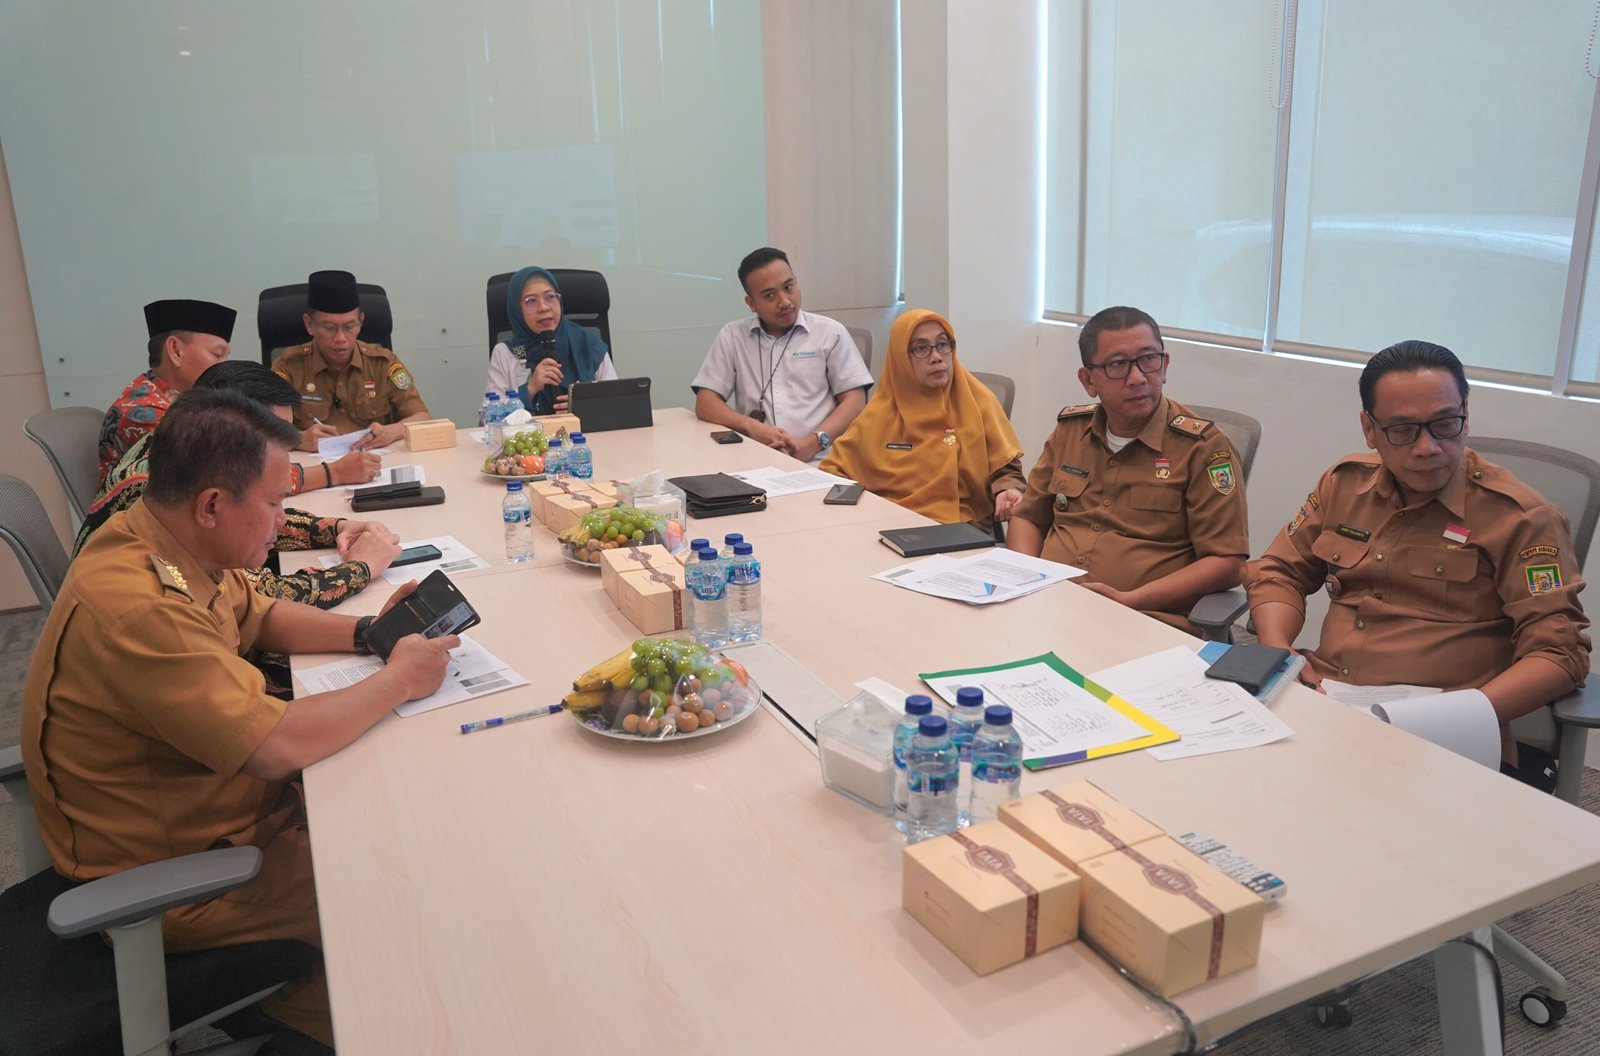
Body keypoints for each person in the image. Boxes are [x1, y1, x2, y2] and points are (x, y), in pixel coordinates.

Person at [21, 388, 456, 1047]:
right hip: (179, 874)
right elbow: (276, 744)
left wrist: (369, 633)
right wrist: (399, 679)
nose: (283, 521)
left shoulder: (167, 538)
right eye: (275, 503)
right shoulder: (139, 606)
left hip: (224, 812)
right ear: (212, 505)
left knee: (409, 837)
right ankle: (320, 1021)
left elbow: (259, 614)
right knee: (404, 907)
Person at [1242, 340, 1591, 788]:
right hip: (1326, 705)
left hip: (1445, 739)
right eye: (1403, 430)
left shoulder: (1521, 518)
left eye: (1445, 424)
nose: (1428, 447)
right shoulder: (1344, 485)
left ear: (1466, 415)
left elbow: (1559, 653)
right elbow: (1279, 572)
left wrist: (1460, 715)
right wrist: (1277, 648)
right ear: (1370, 430)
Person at [76, 360, 401, 611]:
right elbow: (261, 599)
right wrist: (361, 568)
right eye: (274, 436)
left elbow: (251, 521)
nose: (283, 450)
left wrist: (336, 528)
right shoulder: (163, 488)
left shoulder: (182, 449)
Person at [1007, 305, 1249, 632]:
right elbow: (1028, 517)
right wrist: (1028, 580)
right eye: (1118, 365)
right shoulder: (1070, 431)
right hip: (1051, 607)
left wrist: (1131, 600)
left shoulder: (1202, 447)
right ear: (1088, 380)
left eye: (1148, 359)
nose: (1137, 378)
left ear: (1165, 366)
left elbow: (1227, 562)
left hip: (1145, 620)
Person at [819, 309, 1024, 528]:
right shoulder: (880, 413)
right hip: (885, 522)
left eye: (943, 344)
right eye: (921, 348)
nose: (936, 357)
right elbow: (834, 472)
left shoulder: (979, 401)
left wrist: (1008, 490)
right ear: (901, 358)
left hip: (961, 524)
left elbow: (1005, 467)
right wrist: (863, 513)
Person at [692, 246, 873, 461]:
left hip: (819, 460)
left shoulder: (830, 333)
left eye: (788, 287)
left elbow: (855, 400)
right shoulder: (733, 336)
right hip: (755, 458)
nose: (785, 301)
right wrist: (751, 427)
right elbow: (705, 403)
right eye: (770, 295)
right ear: (751, 303)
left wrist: (812, 443)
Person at [272, 269, 431, 450]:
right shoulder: (288, 366)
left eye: (349, 327)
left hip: (374, 461)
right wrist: (299, 439)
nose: (340, 338)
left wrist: (391, 432)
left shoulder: (384, 363)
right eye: (329, 328)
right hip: (314, 465)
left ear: (361, 322)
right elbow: (263, 429)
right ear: (309, 324)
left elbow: (423, 418)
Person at [98, 298, 234, 481]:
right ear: (175, 350)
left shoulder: (178, 399)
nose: (224, 366)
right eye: (217, 354)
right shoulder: (145, 414)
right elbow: (215, 475)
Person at [486, 266, 617, 415]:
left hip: (585, 430)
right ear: (517, 310)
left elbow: (616, 403)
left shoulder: (588, 344)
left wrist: (586, 406)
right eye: (531, 301)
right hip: (531, 430)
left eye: (550, 297)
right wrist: (529, 389)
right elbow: (487, 417)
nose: (543, 307)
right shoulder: (509, 352)